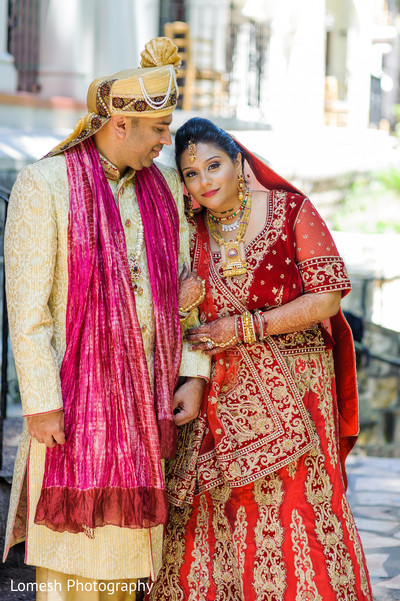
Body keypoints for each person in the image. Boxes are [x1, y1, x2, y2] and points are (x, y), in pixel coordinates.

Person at [3, 41, 210, 600]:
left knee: (129, 565)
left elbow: (188, 289)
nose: (169, 141)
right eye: (160, 128)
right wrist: (42, 402)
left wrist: (192, 372)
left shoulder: (166, 189)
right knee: (72, 565)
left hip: (145, 404)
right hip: (72, 407)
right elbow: (27, 309)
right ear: (120, 123)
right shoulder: (44, 184)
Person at [150, 117, 373, 601]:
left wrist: (247, 327)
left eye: (214, 165)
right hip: (217, 391)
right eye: (191, 174)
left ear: (239, 163)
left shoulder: (292, 211)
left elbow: (328, 298)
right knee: (208, 512)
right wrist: (190, 369)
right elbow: (193, 322)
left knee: (298, 509)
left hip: (295, 391)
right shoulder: (192, 231)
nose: (205, 181)